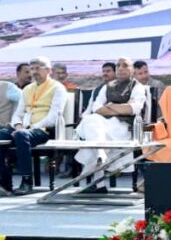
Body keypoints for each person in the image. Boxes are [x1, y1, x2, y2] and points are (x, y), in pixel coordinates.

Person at [74, 58, 146, 194]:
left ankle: (98, 182)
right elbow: (96, 108)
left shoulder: (138, 87)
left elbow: (134, 108)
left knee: (97, 137)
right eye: (118, 65)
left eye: (125, 65)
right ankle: (100, 153)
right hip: (103, 124)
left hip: (123, 126)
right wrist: (121, 107)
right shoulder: (107, 86)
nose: (120, 68)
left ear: (132, 70)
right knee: (91, 119)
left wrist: (110, 106)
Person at [0, 57, 67, 196]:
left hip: (44, 130)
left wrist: (30, 128)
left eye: (38, 68)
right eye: (32, 69)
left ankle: (27, 182)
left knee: (21, 135)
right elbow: (18, 114)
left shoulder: (57, 88)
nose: (34, 72)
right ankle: (4, 184)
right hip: (23, 128)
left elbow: (53, 117)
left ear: (48, 70)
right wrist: (18, 126)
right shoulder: (27, 89)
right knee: (2, 135)